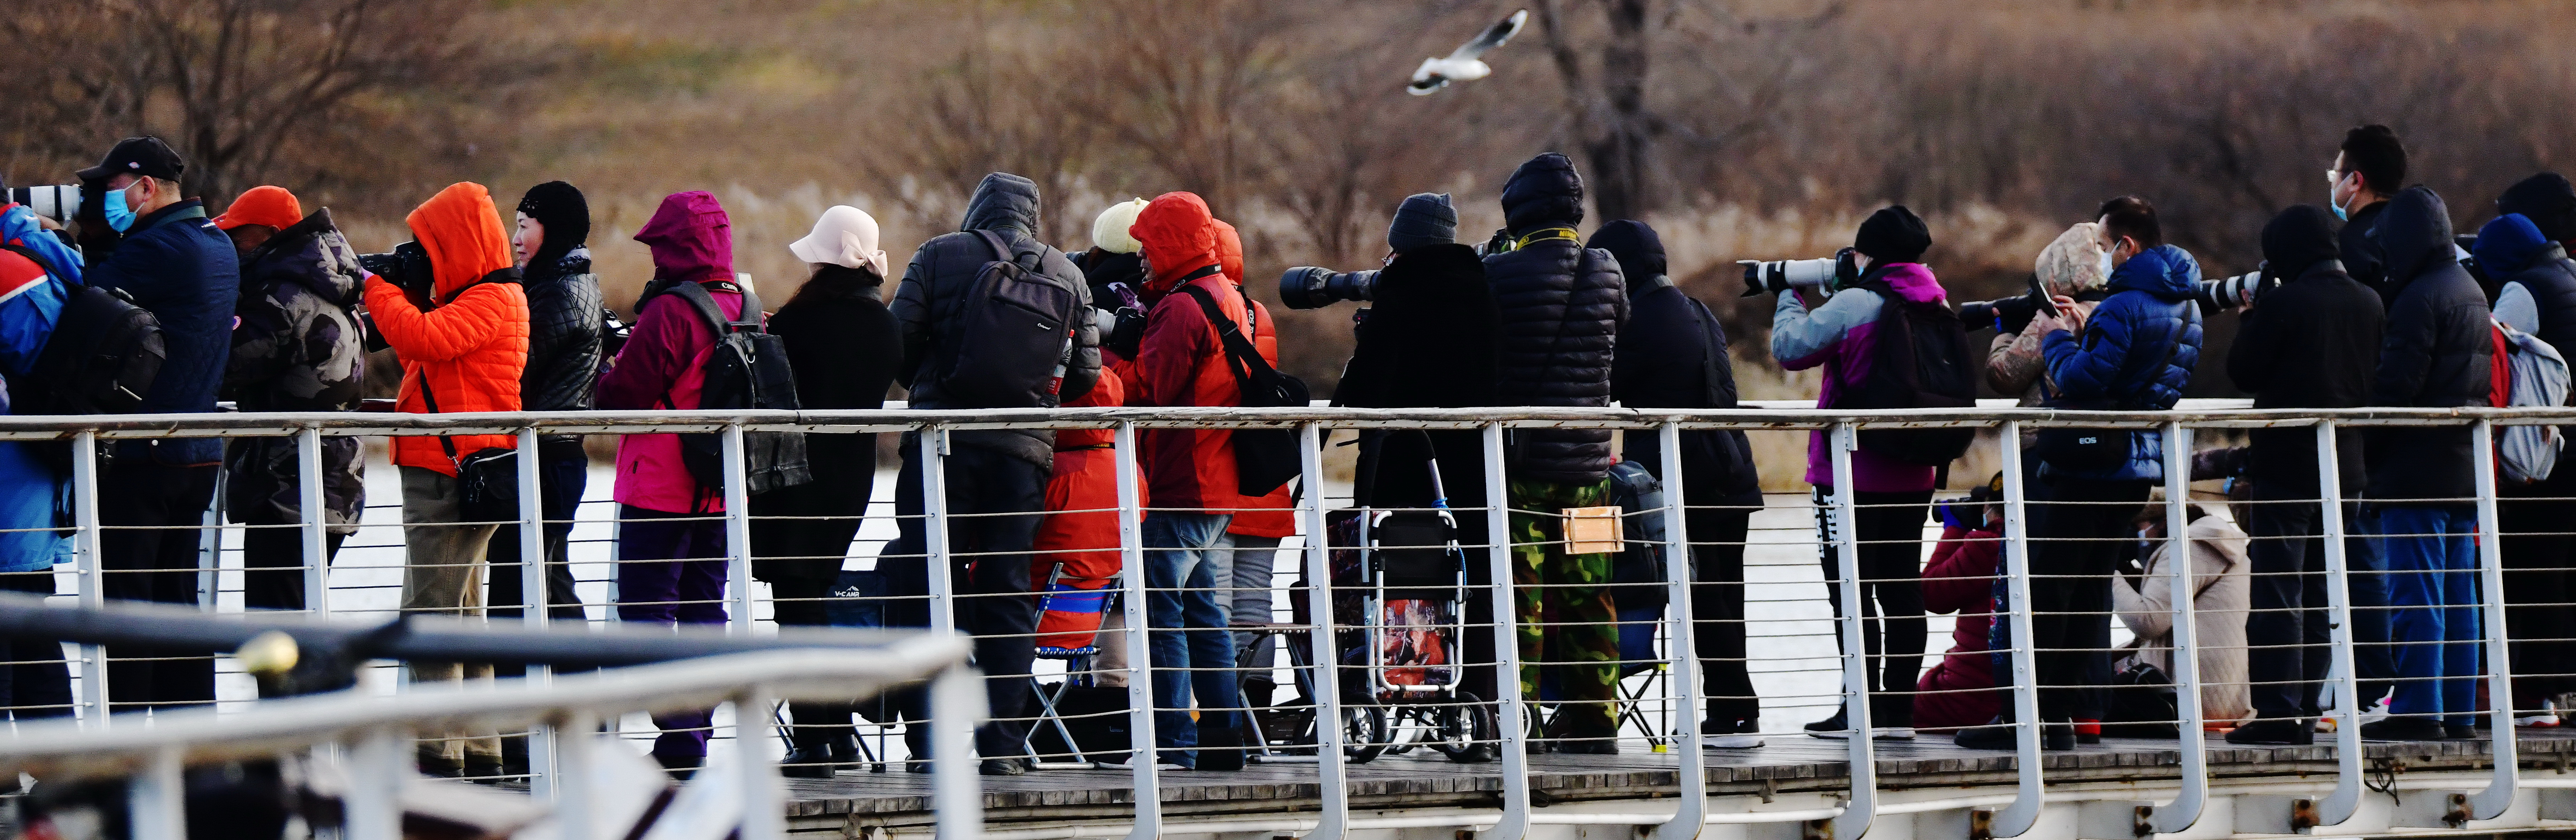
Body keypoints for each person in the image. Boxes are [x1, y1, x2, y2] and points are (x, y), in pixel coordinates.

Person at [1964, 197, 2203, 751]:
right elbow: (2134, 378)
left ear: (2128, 245)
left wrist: (2057, 337)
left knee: (2047, 594)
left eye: (2104, 244)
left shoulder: (2124, 306)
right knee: (2089, 589)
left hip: (2084, 467)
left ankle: (2033, 722)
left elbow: (2080, 382)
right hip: (2134, 467)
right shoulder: (2183, 306)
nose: (2102, 256)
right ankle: (2071, 717)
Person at [886, 172, 1101, 776]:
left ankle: (926, 743)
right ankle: (1001, 745)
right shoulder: (1067, 272)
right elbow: (1084, 375)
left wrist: (934, 378)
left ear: (977, 210)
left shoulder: (937, 255)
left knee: (930, 584)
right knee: (1007, 590)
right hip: (1021, 456)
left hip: (940, 448)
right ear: (1030, 217)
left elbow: (897, 342)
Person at [362, 181, 530, 777]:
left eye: (431, 246)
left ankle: (434, 750)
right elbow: (430, 359)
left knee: (429, 609)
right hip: (455, 466)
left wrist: (376, 286)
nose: (424, 257)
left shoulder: (493, 298)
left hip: (449, 473)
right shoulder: (486, 299)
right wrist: (408, 292)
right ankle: (479, 745)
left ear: (457, 244)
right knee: (459, 609)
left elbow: (421, 338)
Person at [76, 137, 238, 713]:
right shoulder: (216, 244)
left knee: (128, 604)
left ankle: (128, 758)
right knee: (175, 603)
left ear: (146, 188)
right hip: (195, 452)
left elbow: (82, 296)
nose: (103, 199)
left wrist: (79, 238)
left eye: (111, 188)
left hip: (145, 456)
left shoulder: (158, 248)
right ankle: (191, 753)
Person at [1770, 205, 1943, 742]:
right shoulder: (1933, 301)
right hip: (1914, 471)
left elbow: (1790, 348)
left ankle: (1858, 708)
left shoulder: (1855, 302)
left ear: (1867, 253)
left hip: (1848, 475)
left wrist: (1784, 291)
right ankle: (1897, 713)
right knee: (1899, 588)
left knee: (1850, 590)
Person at [593, 190, 752, 775]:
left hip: (659, 483)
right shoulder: (747, 305)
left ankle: (679, 732)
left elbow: (623, 395)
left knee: (646, 607)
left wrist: (605, 368)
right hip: (719, 487)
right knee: (704, 604)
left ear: (676, 247)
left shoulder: (671, 311)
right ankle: (693, 736)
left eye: (661, 246)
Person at [1330, 192, 1503, 730]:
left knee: (1401, 577)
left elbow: (1364, 390)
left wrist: (1367, 344)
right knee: (1468, 579)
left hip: (1407, 469)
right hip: (1476, 470)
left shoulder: (1401, 294)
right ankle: (1473, 694)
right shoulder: (1483, 290)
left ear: (1401, 243)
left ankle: (1400, 682)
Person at [1594, 219, 1767, 747]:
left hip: (1691, 477)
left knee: (1705, 599)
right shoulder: (1694, 309)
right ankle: (1736, 712)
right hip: (1729, 469)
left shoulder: (1642, 321)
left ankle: (1729, 718)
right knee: (1721, 596)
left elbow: (1603, 384)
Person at [2222, 205, 2385, 745]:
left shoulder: (2285, 303)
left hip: (2287, 467)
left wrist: (2251, 318)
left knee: (2278, 593)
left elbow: (2243, 371)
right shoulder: (2369, 300)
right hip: (2348, 469)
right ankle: (2310, 709)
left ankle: (2276, 714)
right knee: (2319, 595)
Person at [1483, 153, 1627, 753]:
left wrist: (1493, 259)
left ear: (1519, 213)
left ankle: (1521, 722)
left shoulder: (1499, 274)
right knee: (1592, 592)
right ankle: (1596, 722)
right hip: (1592, 469)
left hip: (1526, 472)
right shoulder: (1607, 269)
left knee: (1523, 600)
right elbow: (1621, 331)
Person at [756, 205, 901, 777]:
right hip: (852, 478)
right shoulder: (885, 323)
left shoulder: (804, 319)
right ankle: (835, 732)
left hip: (797, 476)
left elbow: (780, 377)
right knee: (817, 595)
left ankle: (816, 738)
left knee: (796, 604)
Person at [2355, 187, 2492, 741]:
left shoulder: (2417, 298)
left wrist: (2361, 423)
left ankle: (2416, 709)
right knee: (2459, 596)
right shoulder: (2469, 290)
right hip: (2460, 467)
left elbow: (2397, 388)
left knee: (2415, 595)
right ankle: (2456, 709)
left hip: (2415, 469)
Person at [1126, 191, 1255, 771]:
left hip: (1185, 480)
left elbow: (1152, 386)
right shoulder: (1226, 295)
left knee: (1162, 610)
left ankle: (1174, 738)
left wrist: (1107, 353)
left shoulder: (1180, 308)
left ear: (1169, 246)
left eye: (1147, 246)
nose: (1142, 259)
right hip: (1218, 480)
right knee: (1204, 610)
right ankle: (1225, 736)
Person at [214, 186, 368, 613]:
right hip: (330, 486)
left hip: (287, 492)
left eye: (238, 236)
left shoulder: (280, 297)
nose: (231, 246)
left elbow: (226, 368)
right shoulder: (329, 286)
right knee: (302, 622)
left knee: (277, 632)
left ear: (269, 234)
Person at [484, 181, 599, 635]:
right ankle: (582, 698)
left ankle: (531, 695)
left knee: (523, 592)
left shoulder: (556, 295)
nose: (515, 239)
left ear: (552, 231)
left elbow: (515, 366)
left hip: (545, 459)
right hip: (556, 458)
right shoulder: (567, 283)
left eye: (524, 226)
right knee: (549, 584)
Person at [2481, 204, 2576, 725]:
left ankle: (2535, 696)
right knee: (2564, 569)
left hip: (2545, 452)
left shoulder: (2523, 290)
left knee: (2532, 570)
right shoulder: (2570, 275)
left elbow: (2494, 347)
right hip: (2572, 441)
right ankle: (2563, 691)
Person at [1205, 220, 1294, 712]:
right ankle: (1258, 704)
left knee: (1215, 603)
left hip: (1222, 477)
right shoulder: (1259, 313)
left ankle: (1220, 709)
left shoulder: (1202, 310)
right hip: (1266, 483)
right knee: (1256, 601)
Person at [0, 204, 76, 725]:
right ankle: (63, 775)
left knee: (18, 636)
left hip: (12, 482)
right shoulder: (44, 261)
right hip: (35, 483)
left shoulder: (9, 274)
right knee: (29, 634)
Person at [2112, 502, 2253, 729]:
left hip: (2182, 701)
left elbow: (2148, 621)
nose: (2134, 538)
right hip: (2215, 696)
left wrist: (2108, 574)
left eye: (2137, 528)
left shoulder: (2188, 547)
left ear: (2164, 522)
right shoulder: (2211, 542)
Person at [1988, 223, 2110, 413]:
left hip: (2050, 432)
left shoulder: (2061, 315)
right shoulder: (2120, 309)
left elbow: (2004, 376)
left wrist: (2007, 333)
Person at [1914, 479, 2003, 733]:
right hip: (2044, 699)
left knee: (1895, 710)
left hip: (1972, 700)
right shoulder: (2055, 543)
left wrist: (1954, 529)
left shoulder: (1990, 545)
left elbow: (1931, 595)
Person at [2331, 125, 2407, 305]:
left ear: (2355, 181)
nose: (2333, 184)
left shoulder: (2351, 246)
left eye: (2334, 174)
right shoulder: (2422, 231)